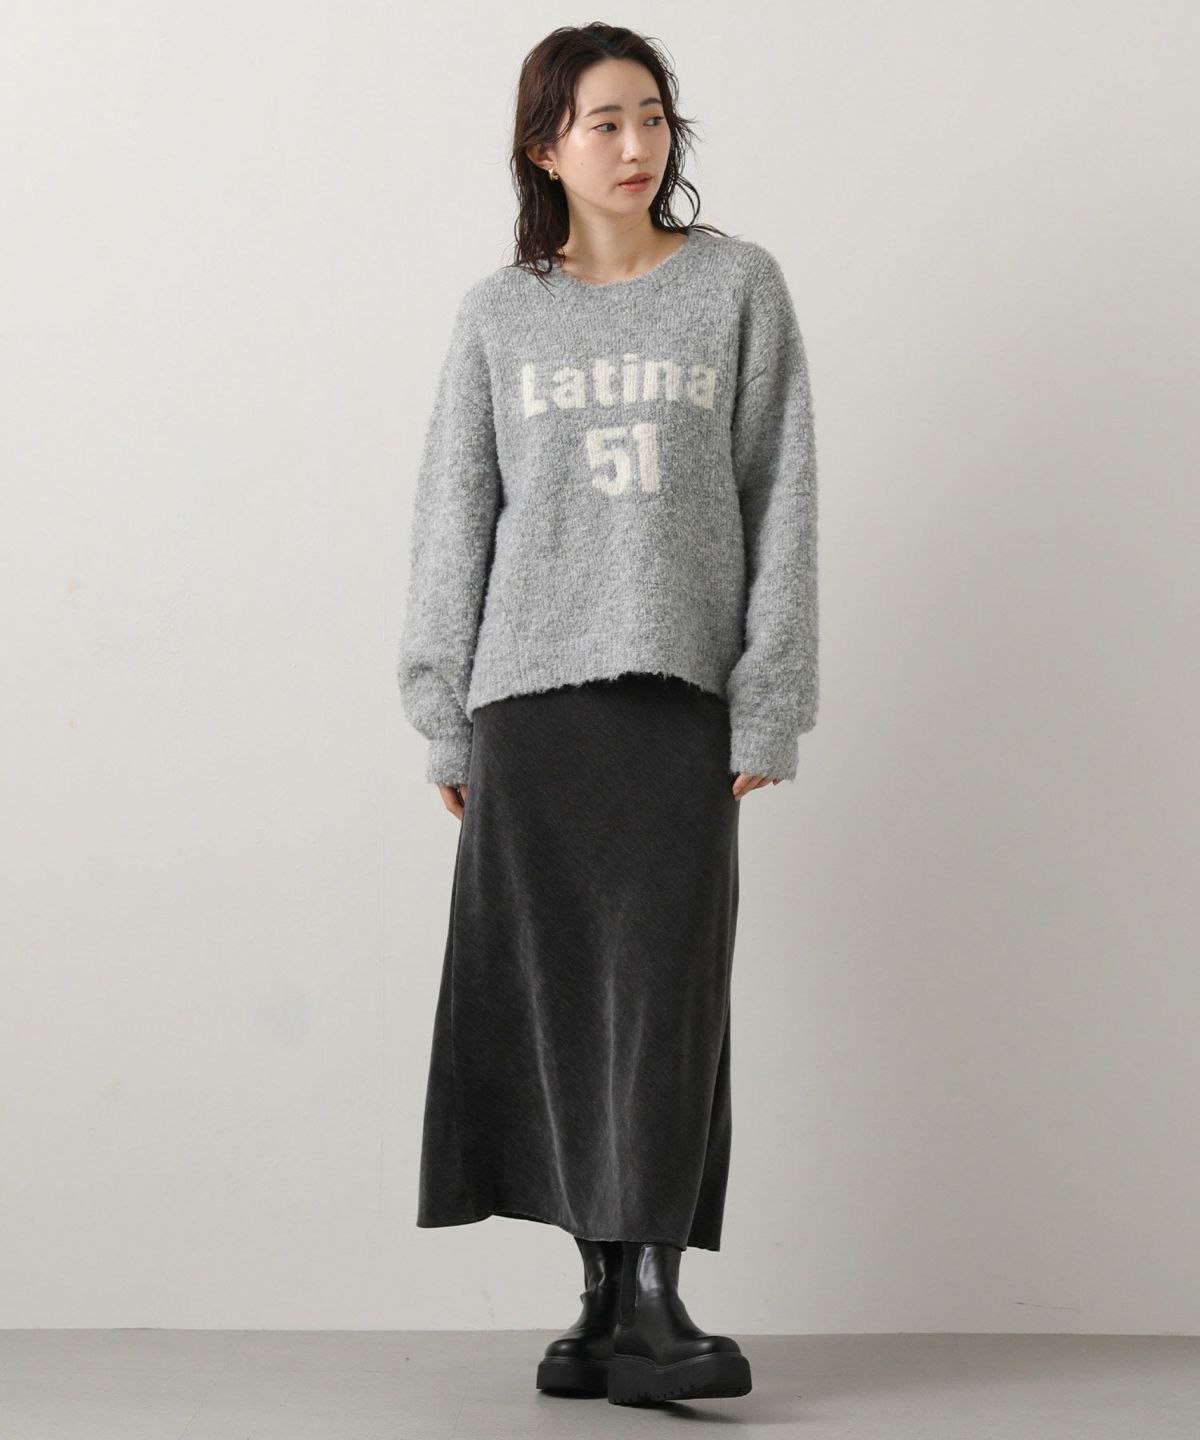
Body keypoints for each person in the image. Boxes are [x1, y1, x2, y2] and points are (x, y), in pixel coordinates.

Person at [397, 22, 818, 1408]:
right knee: (555, 1006)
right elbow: (455, 516)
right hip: (529, 710)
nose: (636, 146)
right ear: (545, 148)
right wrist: (444, 714)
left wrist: (769, 700)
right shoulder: (499, 315)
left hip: (677, 707)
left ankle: (653, 1292)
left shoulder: (737, 288)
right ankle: (601, 1305)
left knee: (667, 1005)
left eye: (652, 117)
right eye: (603, 124)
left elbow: (781, 498)